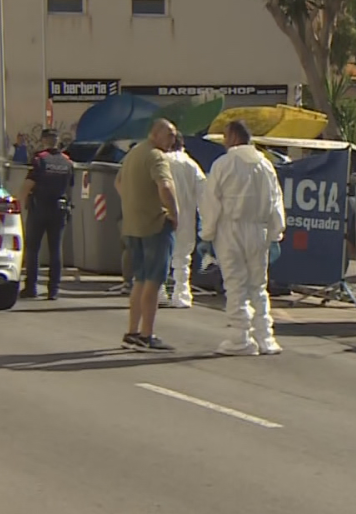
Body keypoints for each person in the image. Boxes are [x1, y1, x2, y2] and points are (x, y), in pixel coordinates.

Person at [200, 120, 286, 356]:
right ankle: (265, 338)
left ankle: (240, 338)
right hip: (258, 231)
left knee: (235, 284)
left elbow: (211, 201)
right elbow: (275, 200)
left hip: (231, 229)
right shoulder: (265, 165)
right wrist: (276, 232)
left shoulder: (223, 164)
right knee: (258, 285)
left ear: (233, 137)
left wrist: (207, 233)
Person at [115, 118, 179, 352]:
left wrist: (132, 203)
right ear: (156, 134)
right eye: (170, 134)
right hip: (154, 225)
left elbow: (118, 182)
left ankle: (132, 331)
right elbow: (164, 185)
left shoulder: (133, 153)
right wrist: (173, 213)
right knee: (153, 281)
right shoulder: (155, 156)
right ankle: (146, 335)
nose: (173, 139)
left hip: (132, 226)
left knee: (140, 280)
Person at [18, 128, 74, 300]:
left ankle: (31, 287)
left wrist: (19, 207)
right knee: (55, 249)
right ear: (57, 141)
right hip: (59, 209)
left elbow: (27, 186)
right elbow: (70, 187)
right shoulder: (67, 162)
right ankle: (54, 290)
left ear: (43, 141)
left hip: (39, 208)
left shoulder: (39, 160)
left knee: (33, 248)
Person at [162, 124, 207, 309]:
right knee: (182, 258)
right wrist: (206, 221)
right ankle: (181, 293)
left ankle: (159, 292)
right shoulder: (191, 165)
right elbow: (204, 193)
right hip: (187, 216)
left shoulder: (161, 161)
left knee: (161, 256)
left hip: (163, 214)